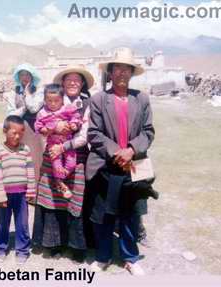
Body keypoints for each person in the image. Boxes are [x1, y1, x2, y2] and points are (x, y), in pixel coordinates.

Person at [86, 47, 155, 275]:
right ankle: (103, 256)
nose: (122, 73)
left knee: (130, 214)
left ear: (132, 73)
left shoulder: (141, 99)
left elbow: (148, 131)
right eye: (118, 69)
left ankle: (130, 258)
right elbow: (94, 134)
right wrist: (118, 151)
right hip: (107, 165)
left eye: (127, 69)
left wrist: (132, 149)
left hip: (133, 166)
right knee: (104, 213)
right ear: (111, 72)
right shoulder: (98, 100)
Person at [32, 65, 94, 263]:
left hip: (76, 158)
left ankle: (76, 246)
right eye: (69, 79)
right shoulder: (52, 102)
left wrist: (64, 146)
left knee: (75, 202)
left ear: (82, 83)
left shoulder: (87, 104)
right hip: (52, 158)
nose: (73, 82)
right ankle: (54, 244)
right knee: (52, 201)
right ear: (63, 83)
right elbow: (40, 128)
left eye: (78, 79)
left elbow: (84, 135)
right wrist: (53, 129)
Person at [0, 115, 36, 264]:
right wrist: (0, 195)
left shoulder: (26, 150)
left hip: (22, 194)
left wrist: (31, 190)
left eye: (21, 133)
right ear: (5, 131)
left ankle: (22, 250)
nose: (17, 136)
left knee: (22, 223)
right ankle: (1, 248)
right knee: (2, 223)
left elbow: (30, 171)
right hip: (5, 195)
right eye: (14, 133)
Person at [35, 84, 82, 198]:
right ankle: (60, 182)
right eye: (49, 101)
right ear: (45, 100)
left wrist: (74, 124)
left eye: (56, 100)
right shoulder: (42, 113)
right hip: (53, 144)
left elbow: (76, 117)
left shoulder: (67, 108)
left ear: (62, 99)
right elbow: (38, 126)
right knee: (56, 164)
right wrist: (46, 129)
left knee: (71, 163)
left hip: (67, 143)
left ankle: (61, 176)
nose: (53, 104)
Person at [6, 63, 45, 187]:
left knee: (35, 157)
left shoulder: (39, 91)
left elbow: (33, 108)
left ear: (32, 76)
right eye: (22, 74)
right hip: (18, 130)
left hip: (34, 130)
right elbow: (10, 114)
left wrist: (27, 95)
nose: (25, 77)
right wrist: (23, 109)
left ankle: (36, 190)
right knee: (20, 158)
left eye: (27, 74)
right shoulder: (13, 92)